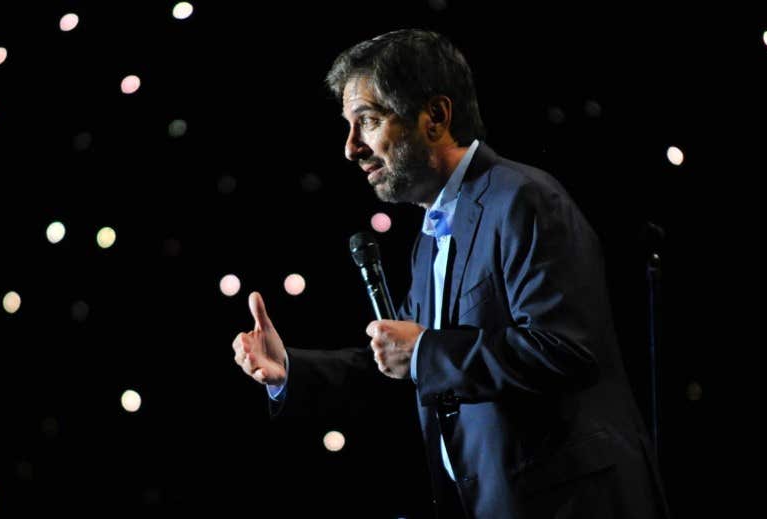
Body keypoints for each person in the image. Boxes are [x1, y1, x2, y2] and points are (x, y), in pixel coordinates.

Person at [231, 29, 669, 518]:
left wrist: (423, 352)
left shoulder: (523, 200)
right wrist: (291, 370)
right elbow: (406, 365)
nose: (351, 147)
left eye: (368, 121)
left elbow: (565, 349)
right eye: (348, 127)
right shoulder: (431, 235)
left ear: (435, 117)